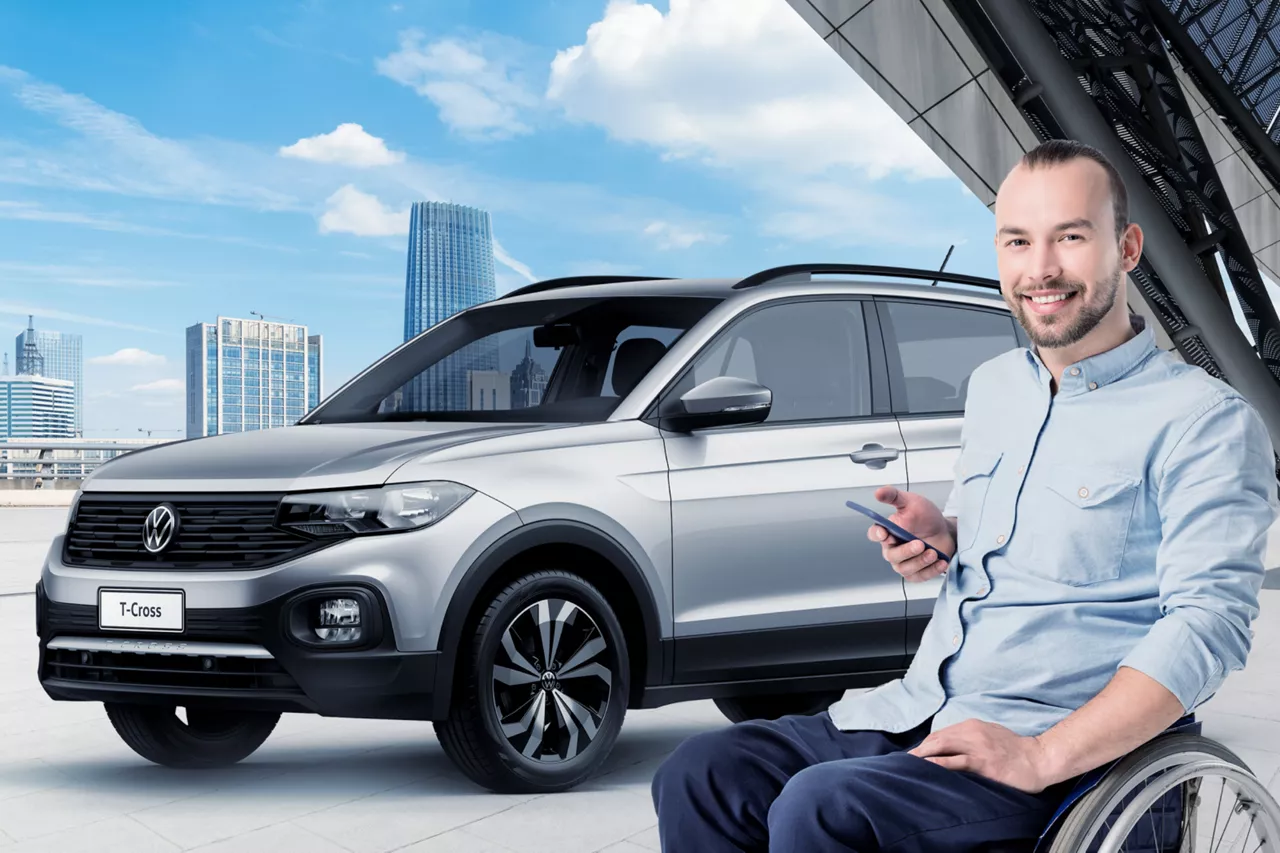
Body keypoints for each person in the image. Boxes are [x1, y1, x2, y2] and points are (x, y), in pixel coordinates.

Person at [649, 138, 1280, 852]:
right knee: (700, 773)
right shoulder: (995, 388)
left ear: (1127, 248)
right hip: (929, 712)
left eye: (1070, 237)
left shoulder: (1206, 421)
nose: (1040, 269)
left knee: (822, 810)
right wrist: (948, 539)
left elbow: (1208, 624)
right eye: (1017, 241)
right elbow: (1037, 548)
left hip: (1069, 759)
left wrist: (1043, 754)